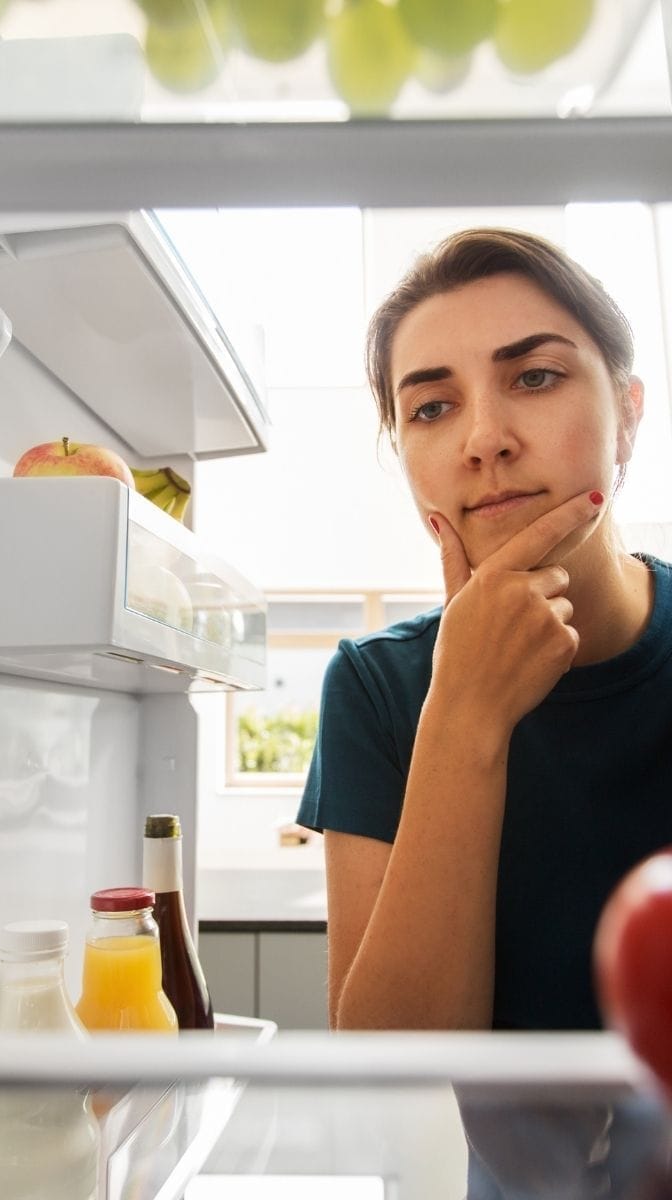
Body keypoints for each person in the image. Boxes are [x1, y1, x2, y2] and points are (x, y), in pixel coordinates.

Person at [295, 226, 672, 1035]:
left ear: (628, 416)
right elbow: (389, 1077)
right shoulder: (374, 686)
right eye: (432, 407)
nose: (484, 440)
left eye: (535, 376)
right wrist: (464, 712)